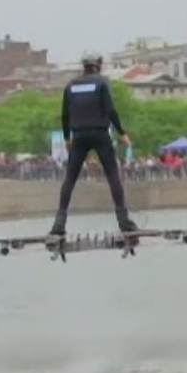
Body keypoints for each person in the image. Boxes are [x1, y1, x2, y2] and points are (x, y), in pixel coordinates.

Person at [49, 51, 138, 236]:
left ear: (84, 66)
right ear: (98, 65)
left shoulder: (71, 85)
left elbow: (65, 115)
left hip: (78, 135)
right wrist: (122, 133)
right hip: (99, 133)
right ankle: (124, 222)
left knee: (70, 179)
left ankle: (59, 224)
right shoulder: (102, 83)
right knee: (113, 176)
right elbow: (111, 110)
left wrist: (67, 138)